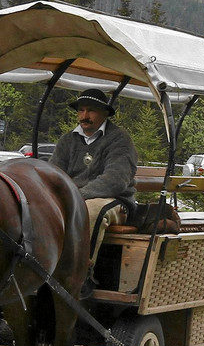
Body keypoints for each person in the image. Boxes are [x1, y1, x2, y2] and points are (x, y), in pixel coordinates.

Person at [50, 88, 138, 257]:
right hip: (75, 197)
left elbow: (115, 180)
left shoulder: (119, 139)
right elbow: (55, 174)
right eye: (81, 110)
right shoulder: (68, 140)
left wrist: (77, 196)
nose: (84, 116)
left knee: (90, 211)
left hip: (115, 200)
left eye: (91, 110)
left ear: (105, 113)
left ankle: (81, 270)